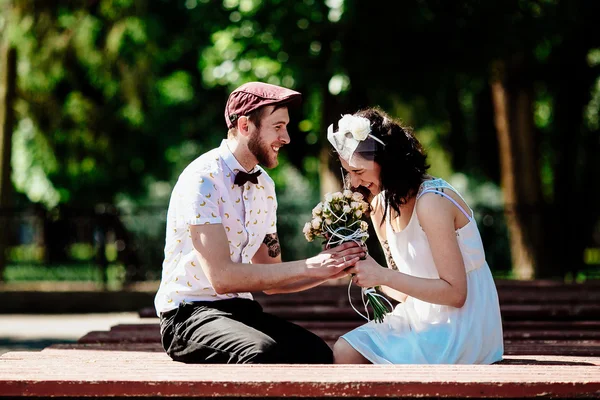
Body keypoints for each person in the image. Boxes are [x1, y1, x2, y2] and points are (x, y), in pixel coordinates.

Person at [155, 82, 365, 364]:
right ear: (245, 126)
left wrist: (330, 268)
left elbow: (271, 279)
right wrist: (310, 265)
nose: (287, 138)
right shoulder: (202, 180)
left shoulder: (264, 185)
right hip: (188, 315)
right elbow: (223, 278)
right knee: (261, 354)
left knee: (317, 354)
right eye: (277, 127)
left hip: (240, 311)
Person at [327, 107, 504, 364]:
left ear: (386, 162)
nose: (353, 183)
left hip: (461, 325)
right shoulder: (380, 205)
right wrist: (362, 269)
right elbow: (404, 293)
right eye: (348, 172)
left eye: (359, 171)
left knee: (375, 359)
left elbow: (456, 294)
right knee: (345, 350)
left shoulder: (432, 200)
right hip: (420, 315)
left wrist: (383, 275)